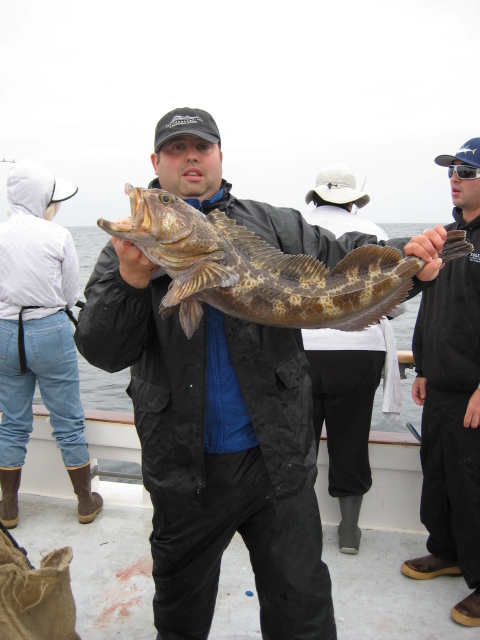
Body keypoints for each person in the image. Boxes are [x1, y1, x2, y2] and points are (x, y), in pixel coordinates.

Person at [74, 107, 447, 640]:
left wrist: (410, 265)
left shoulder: (276, 223)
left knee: (302, 608)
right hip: (183, 469)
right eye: (176, 150)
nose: (191, 157)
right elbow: (102, 350)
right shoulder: (131, 250)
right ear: (156, 161)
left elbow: (340, 262)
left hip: (277, 462)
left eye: (201, 147)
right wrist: (132, 281)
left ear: (221, 156)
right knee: (180, 614)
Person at [302, 162, 404, 555]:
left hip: (304, 351)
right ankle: (349, 531)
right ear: (354, 201)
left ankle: (302, 526)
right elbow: (392, 306)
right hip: (359, 354)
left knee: (299, 443)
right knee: (351, 439)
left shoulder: (295, 227)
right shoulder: (376, 234)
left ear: (315, 196)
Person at [401, 138, 480, 627]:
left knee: (475, 485)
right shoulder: (447, 237)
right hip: (443, 384)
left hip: (476, 392)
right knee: (442, 475)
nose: (455, 177)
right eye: (452, 169)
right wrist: (425, 364)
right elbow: (431, 304)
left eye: (467, 170)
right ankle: (448, 551)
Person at [0, 160, 103, 529]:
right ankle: (85, 501)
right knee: (68, 421)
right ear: (43, 197)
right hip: (48, 330)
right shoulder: (57, 236)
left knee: (12, 422)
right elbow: (69, 293)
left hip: (6, 332)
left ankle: (8, 506)